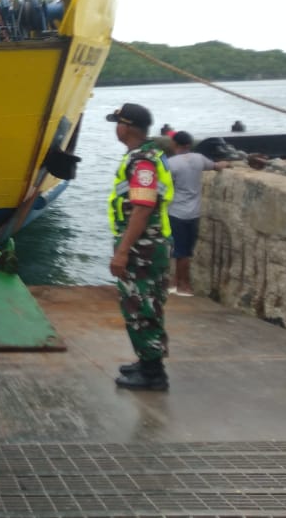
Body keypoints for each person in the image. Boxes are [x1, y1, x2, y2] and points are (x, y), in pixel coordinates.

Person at [106, 102, 175, 391]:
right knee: (144, 305)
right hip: (146, 246)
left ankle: (153, 373)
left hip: (141, 250)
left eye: (118, 123)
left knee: (141, 307)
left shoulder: (142, 162)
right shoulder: (143, 156)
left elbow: (143, 208)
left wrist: (123, 251)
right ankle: (147, 361)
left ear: (128, 127)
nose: (116, 128)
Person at [167, 130, 229, 296]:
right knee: (185, 251)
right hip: (193, 213)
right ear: (189, 145)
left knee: (179, 251)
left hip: (176, 212)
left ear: (174, 145)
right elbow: (216, 166)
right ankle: (181, 285)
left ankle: (180, 285)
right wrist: (226, 163)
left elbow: (163, 183)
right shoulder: (199, 159)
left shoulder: (171, 163)